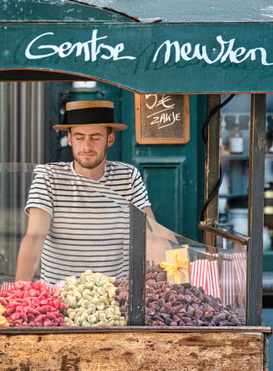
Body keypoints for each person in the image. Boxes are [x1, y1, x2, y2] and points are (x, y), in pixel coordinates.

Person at [15, 100, 172, 283]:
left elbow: (152, 235)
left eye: (95, 138)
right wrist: (17, 295)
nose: (87, 146)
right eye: (80, 137)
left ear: (110, 139)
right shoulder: (48, 177)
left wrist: (173, 288)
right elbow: (34, 237)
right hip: (58, 298)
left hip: (113, 299)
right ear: (70, 138)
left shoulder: (128, 177)